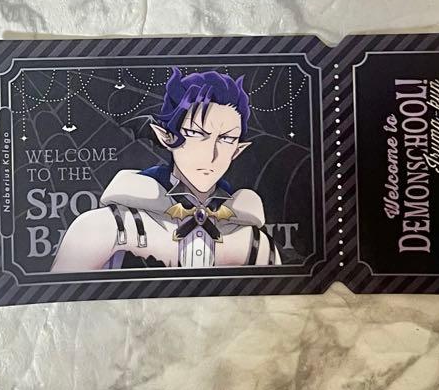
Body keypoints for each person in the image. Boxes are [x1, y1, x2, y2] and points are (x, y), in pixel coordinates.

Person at [51, 68, 281, 271]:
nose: (211, 154)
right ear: (166, 137)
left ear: (238, 150)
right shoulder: (103, 227)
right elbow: (64, 300)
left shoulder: (257, 244)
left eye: (226, 138)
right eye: (195, 134)